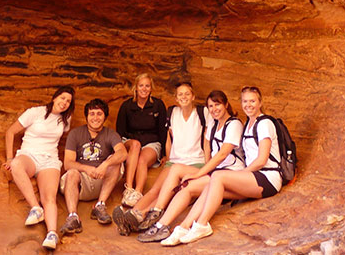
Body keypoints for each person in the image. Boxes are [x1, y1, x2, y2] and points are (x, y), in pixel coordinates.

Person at [158, 86, 284, 245]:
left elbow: (261, 159)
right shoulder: (248, 124)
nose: (248, 105)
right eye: (245, 101)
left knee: (217, 176)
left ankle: (202, 224)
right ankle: (183, 227)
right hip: (253, 177)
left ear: (260, 102)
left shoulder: (264, 123)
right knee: (211, 184)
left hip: (268, 177)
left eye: (252, 101)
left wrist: (241, 175)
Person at [136, 90, 245, 243]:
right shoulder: (214, 125)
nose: (214, 109)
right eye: (211, 106)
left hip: (231, 173)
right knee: (176, 168)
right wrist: (206, 167)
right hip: (216, 172)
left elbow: (222, 155)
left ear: (226, 104)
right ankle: (157, 212)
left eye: (218, 104)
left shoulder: (234, 124)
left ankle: (162, 225)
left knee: (187, 187)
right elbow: (207, 145)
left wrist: (199, 173)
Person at [112, 82, 212, 235]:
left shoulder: (202, 112)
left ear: (193, 96)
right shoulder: (172, 112)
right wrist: (168, 156)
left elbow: (206, 140)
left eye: (187, 94)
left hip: (195, 162)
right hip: (175, 161)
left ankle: (142, 214)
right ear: (176, 98)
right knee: (155, 190)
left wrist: (207, 164)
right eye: (180, 94)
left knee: (170, 192)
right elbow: (168, 138)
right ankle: (131, 215)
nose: (183, 97)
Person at [2, 86, 75, 250]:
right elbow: (10, 132)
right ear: (55, 97)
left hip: (49, 160)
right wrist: (9, 157)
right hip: (29, 155)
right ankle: (36, 208)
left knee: (49, 197)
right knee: (16, 165)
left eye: (68, 101)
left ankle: (51, 233)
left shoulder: (65, 120)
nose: (64, 103)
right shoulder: (35, 112)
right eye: (62, 98)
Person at [58, 99, 127, 237]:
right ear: (86, 116)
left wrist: (105, 165)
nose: (95, 117)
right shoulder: (75, 133)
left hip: (102, 181)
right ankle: (73, 216)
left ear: (105, 116)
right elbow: (68, 163)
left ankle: (100, 205)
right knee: (72, 172)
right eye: (92, 114)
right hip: (81, 183)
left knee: (115, 162)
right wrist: (85, 168)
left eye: (99, 114)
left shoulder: (110, 134)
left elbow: (123, 153)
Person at [116, 73, 167, 207]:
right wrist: (119, 151)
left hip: (151, 142)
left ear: (151, 88)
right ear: (136, 88)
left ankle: (137, 193)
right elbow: (119, 130)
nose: (144, 89)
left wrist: (164, 154)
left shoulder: (158, 105)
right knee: (136, 145)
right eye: (141, 85)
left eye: (147, 86)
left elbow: (163, 130)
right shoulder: (127, 106)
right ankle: (128, 188)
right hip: (131, 141)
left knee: (142, 160)